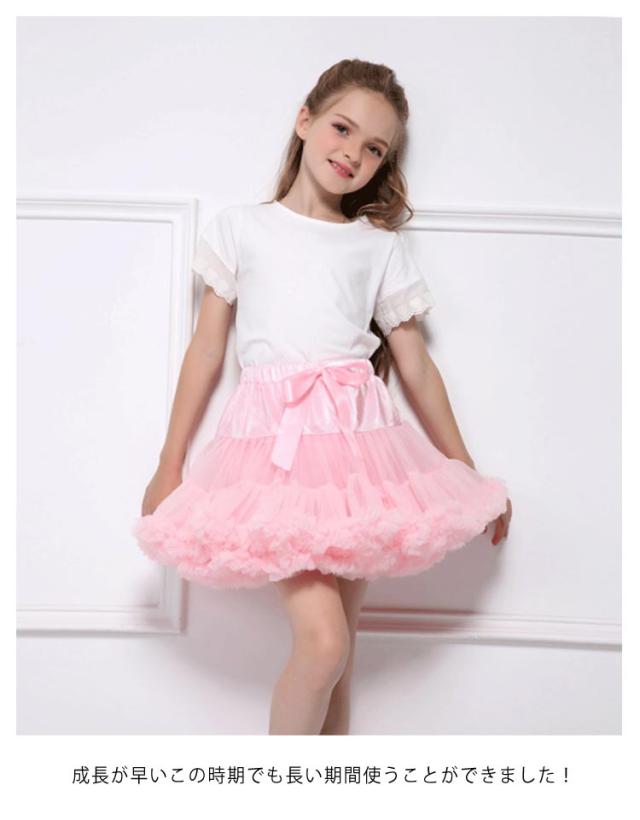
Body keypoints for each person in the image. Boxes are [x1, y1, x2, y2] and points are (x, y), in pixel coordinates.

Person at [131, 58, 513, 735]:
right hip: (275, 454)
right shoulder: (241, 228)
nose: (353, 154)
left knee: (340, 655)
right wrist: (170, 461)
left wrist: (466, 468)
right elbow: (207, 350)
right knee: (324, 643)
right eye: (343, 128)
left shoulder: (376, 247)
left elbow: (416, 366)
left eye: (375, 149)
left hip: (360, 451)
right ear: (304, 121)